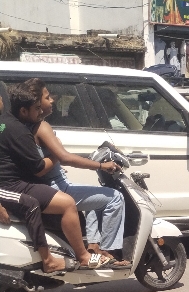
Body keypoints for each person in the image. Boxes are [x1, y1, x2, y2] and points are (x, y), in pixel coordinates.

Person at [0, 82, 98, 270]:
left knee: (67, 202)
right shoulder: (17, 130)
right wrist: (56, 153)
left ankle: (79, 253)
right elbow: (38, 167)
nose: (41, 112)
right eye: (37, 108)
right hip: (7, 186)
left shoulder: (7, 123)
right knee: (31, 204)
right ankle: (49, 261)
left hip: (17, 182)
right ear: (23, 111)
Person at [35, 83, 129, 266]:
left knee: (94, 197)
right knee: (115, 198)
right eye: (47, 98)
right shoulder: (41, 126)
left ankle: (93, 244)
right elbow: (65, 157)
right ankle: (108, 252)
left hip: (53, 182)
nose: (52, 100)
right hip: (57, 187)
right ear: (36, 104)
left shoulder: (25, 126)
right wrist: (101, 165)